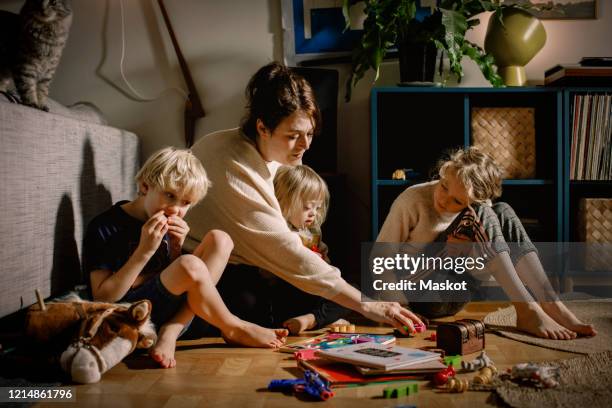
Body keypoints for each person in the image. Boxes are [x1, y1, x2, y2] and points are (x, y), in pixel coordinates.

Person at [184, 61, 423, 334]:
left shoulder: (270, 156)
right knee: (265, 302)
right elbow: (284, 250)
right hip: (212, 273)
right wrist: (368, 305)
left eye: (309, 133)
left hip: (256, 268)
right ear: (262, 127)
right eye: (293, 136)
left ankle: (313, 316)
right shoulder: (233, 164)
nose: (305, 144)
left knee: (337, 288)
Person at [83, 147, 288, 369]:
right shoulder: (105, 226)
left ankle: (172, 330)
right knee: (190, 264)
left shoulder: (167, 219)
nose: (176, 209)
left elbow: (172, 278)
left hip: (178, 314)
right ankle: (233, 326)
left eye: (186, 203)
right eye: (170, 195)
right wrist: (144, 252)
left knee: (221, 239)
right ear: (144, 186)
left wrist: (176, 248)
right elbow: (103, 297)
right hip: (135, 316)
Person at [377, 147, 597, 340]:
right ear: (443, 173)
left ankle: (551, 303)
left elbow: (485, 267)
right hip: (421, 295)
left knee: (502, 211)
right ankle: (527, 309)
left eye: (457, 201)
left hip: (459, 290)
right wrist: (400, 307)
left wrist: (468, 253)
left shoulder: (479, 208)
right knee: (484, 213)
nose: (444, 200)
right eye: (444, 187)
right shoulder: (412, 199)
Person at [272, 164, 350, 334]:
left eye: (317, 207)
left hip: (313, 289)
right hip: (287, 291)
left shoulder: (312, 229)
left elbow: (324, 263)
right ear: (284, 201)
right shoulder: (279, 228)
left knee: (352, 289)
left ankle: (312, 319)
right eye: (307, 207)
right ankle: (320, 318)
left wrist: (323, 260)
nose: (313, 213)